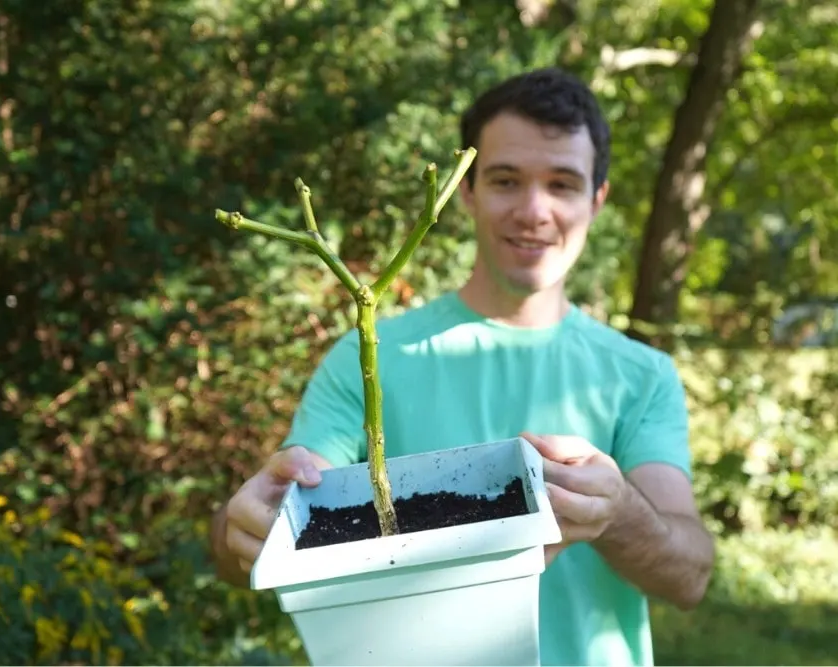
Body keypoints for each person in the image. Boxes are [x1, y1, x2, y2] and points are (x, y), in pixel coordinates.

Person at [209, 66, 715, 666]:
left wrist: (622, 513)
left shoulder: (640, 376)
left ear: (596, 199)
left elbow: (689, 577)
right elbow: (267, 528)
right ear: (464, 191)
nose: (534, 210)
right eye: (506, 180)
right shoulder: (368, 356)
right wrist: (240, 532)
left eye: (562, 184)